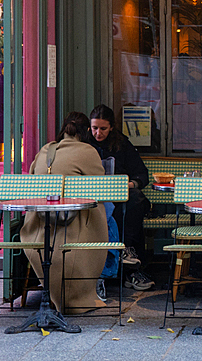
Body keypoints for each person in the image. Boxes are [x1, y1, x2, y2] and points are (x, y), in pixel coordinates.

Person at [20, 112, 107, 313]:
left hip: (39, 227)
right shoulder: (87, 151)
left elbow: (33, 178)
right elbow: (101, 188)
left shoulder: (45, 150)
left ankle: (53, 296)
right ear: (86, 131)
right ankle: (99, 283)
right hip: (73, 226)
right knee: (106, 212)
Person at [89, 104, 154, 292]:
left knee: (134, 201)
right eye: (94, 128)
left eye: (103, 129)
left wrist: (129, 184)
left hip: (122, 198)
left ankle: (129, 259)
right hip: (96, 197)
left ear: (111, 127)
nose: (98, 133)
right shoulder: (86, 145)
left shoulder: (122, 144)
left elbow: (142, 175)